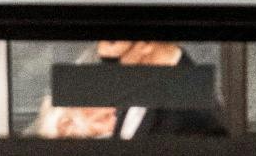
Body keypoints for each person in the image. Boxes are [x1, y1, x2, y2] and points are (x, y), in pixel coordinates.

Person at [29, 38, 227, 140]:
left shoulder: (198, 110)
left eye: (114, 43)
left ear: (146, 44)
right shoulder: (135, 79)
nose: (101, 51)